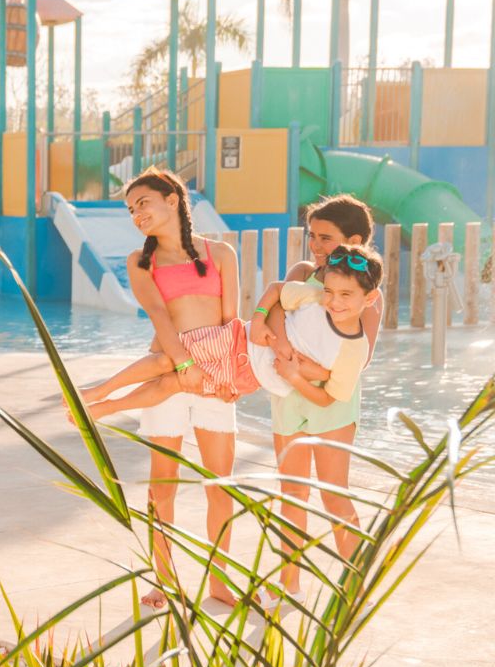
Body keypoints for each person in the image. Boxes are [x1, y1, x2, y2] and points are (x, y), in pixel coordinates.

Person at [98, 168, 246, 609]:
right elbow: (161, 318)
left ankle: (219, 580)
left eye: (142, 203)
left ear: (172, 199)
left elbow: (231, 322)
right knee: (162, 485)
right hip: (170, 377)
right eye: (130, 209)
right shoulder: (140, 261)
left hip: (215, 378)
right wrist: (183, 366)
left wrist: (228, 376)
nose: (136, 214)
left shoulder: (221, 253)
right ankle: (164, 580)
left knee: (220, 485)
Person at [79, 246, 381, 423]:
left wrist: (295, 377)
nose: (334, 301)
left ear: (369, 299)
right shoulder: (314, 298)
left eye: (346, 295)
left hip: (246, 378)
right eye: (330, 291)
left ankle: (109, 408)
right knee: (167, 361)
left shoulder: (354, 350)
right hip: (236, 339)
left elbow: (328, 398)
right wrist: (260, 319)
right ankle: (101, 391)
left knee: (173, 383)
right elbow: (276, 290)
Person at [254, 195, 383, 600]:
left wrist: (308, 371)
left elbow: (357, 363)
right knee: (291, 490)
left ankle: (356, 583)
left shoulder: (362, 298)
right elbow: (277, 305)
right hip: (288, 394)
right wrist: (282, 349)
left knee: (333, 493)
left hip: (334, 403)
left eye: (325, 238)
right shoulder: (304, 274)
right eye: (312, 236)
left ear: (354, 240)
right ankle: (288, 583)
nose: (315, 246)